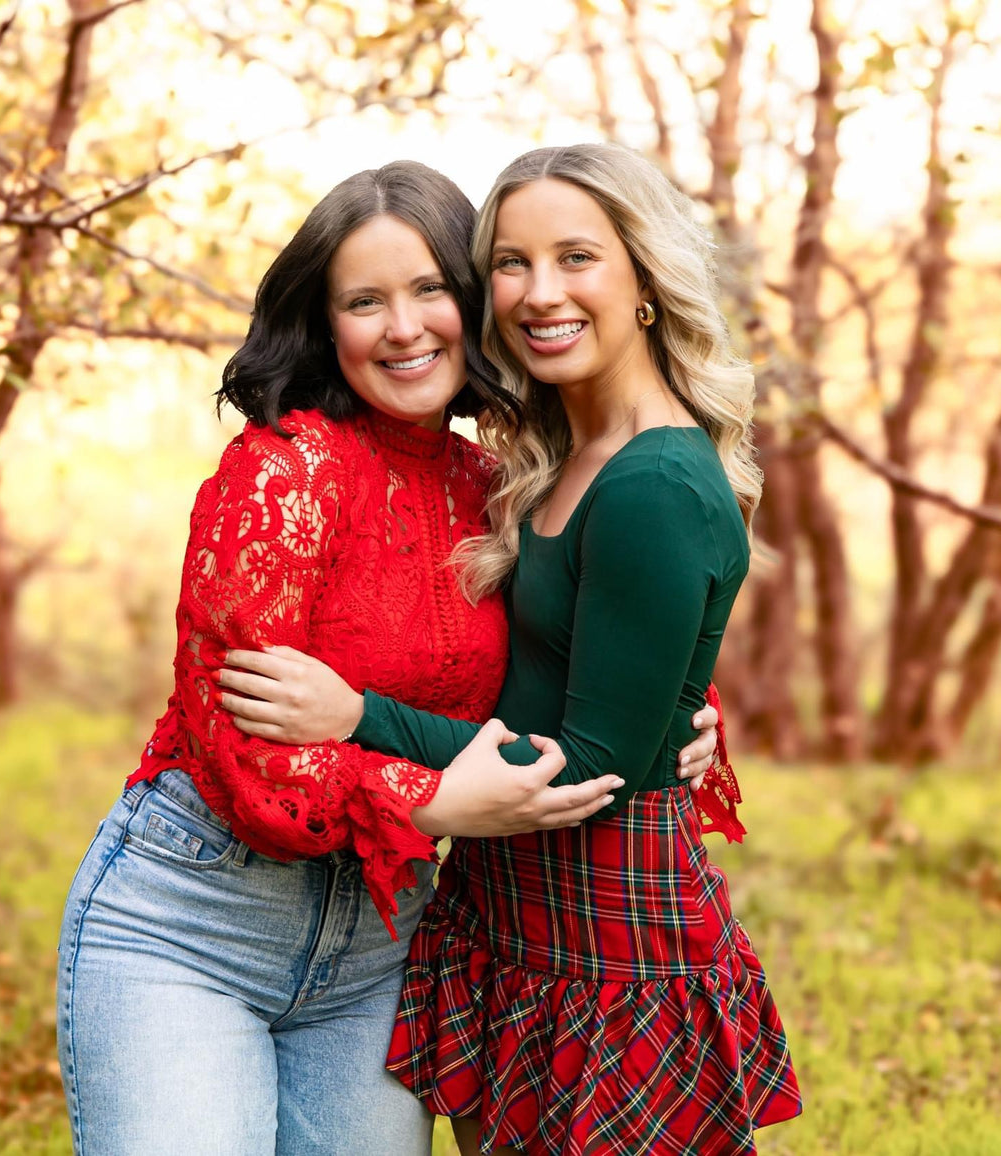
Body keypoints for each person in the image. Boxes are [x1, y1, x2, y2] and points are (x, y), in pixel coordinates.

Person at [55, 159, 725, 1156]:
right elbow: (245, 755)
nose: (402, 326)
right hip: (194, 921)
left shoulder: (498, 486)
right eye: (364, 301)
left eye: (428, 291)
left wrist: (680, 711)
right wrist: (440, 804)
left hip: (381, 944)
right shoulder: (280, 473)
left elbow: (572, 661)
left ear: (470, 307)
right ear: (327, 328)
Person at [218, 143, 801, 1155]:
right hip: (511, 907)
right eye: (511, 264)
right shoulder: (555, 457)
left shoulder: (653, 482)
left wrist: (358, 717)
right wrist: (676, 717)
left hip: (602, 918)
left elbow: (588, 769)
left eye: (576, 257)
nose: (539, 293)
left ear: (645, 281)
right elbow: (587, 678)